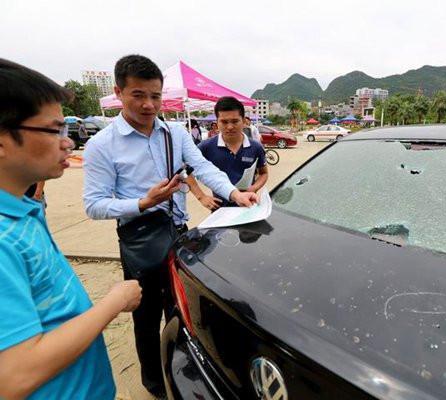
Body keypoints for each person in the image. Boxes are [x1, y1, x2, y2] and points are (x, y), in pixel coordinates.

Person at [82, 55, 257, 398]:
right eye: (138, 95)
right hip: (139, 239)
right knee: (146, 317)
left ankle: (181, 369)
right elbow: (93, 204)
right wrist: (141, 203)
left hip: (178, 233)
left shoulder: (174, 133)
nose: (148, 104)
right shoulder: (102, 145)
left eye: (155, 96)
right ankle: (153, 381)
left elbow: (203, 169)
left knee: (179, 308)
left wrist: (235, 193)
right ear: (118, 92)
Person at [0, 59, 142, 400]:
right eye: (54, 130)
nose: (68, 143)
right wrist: (113, 302)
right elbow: (14, 376)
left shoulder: (23, 209)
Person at [198, 97, 268, 209]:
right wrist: (201, 197)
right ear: (216, 123)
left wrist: (253, 188)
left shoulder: (256, 147)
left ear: (244, 121)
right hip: (219, 210)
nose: (230, 127)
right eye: (224, 122)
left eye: (235, 121)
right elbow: (185, 172)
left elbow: (263, 173)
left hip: (248, 206)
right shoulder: (206, 147)